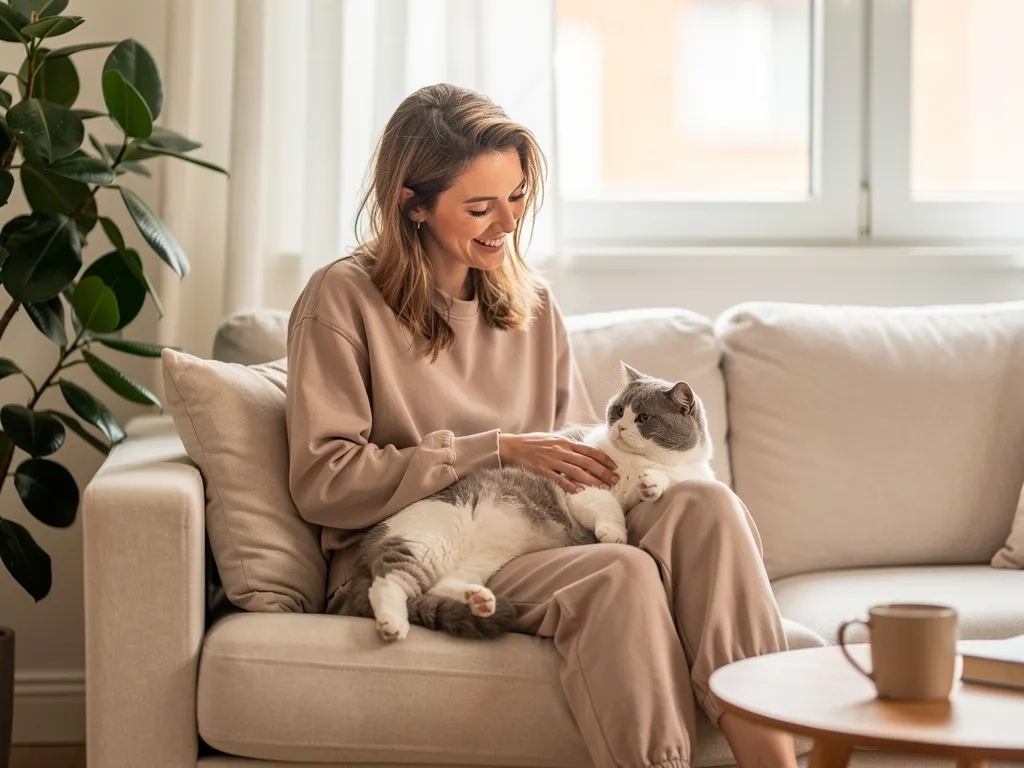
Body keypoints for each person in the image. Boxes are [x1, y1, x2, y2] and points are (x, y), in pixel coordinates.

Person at [285, 82, 797, 768]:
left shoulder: (531, 299)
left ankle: (775, 759)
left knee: (706, 503)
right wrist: (491, 448)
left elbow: (576, 460)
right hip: (426, 545)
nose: (508, 221)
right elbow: (324, 484)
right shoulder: (341, 299)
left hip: (544, 528)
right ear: (413, 203)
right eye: (479, 206)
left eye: (518, 195)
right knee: (618, 575)